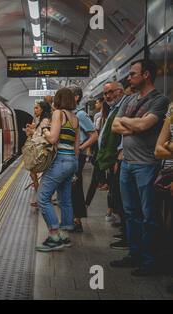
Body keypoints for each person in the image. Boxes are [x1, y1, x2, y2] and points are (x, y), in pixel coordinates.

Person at [111, 59, 170, 276]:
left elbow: (146, 125)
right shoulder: (128, 100)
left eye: (133, 74)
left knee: (148, 215)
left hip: (146, 165)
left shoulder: (159, 100)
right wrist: (133, 125)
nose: (129, 77)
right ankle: (134, 254)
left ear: (146, 75)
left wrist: (130, 124)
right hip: (126, 163)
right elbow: (115, 127)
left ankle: (149, 259)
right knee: (130, 212)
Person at [35, 88, 80, 251]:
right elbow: (77, 147)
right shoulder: (75, 118)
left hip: (60, 160)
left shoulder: (58, 114)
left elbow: (53, 138)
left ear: (58, 100)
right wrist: (73, 167)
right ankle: (64, 235)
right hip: (72, 161)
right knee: (65, 200)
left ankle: (54, 236)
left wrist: (45, 129)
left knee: (42, 198)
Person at [95, 81, 130, 250]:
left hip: (120, 159)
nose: (107, 96)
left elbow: (122, 133)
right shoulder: (114, 108)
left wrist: (119, 157)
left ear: (120, 92)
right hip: (113, 160)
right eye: (105, 94)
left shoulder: (123, 107)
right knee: (118, 197)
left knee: (122, 200)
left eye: (110, 92)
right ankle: (126, 232)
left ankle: (128, 236)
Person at [70, 86, 98, 232]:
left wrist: (81, 148)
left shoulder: (80, 115)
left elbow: (94, 135)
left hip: (78, 155)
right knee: (71, 187)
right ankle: (72, 218)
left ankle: (77, 220)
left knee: (76, 186)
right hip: (71, 155)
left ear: (76, 97)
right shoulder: (69, 113)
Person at [154, 102, 173, 294]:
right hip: (166, 173)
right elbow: (158, 150)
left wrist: (167, 144)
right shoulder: (171, 109)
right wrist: (167, 145)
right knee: (168, 224)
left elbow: (163, 145)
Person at [26, 102, 52, 207]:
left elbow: (43, 137)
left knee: (36, 176)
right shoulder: (42, 120)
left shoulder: (44, 121)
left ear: (42, 110)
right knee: (35, 176)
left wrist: (31, 133)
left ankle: (40, 200)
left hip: (42, 153)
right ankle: (40, 199)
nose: (35, 110)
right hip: (39, 152)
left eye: (37, 108)